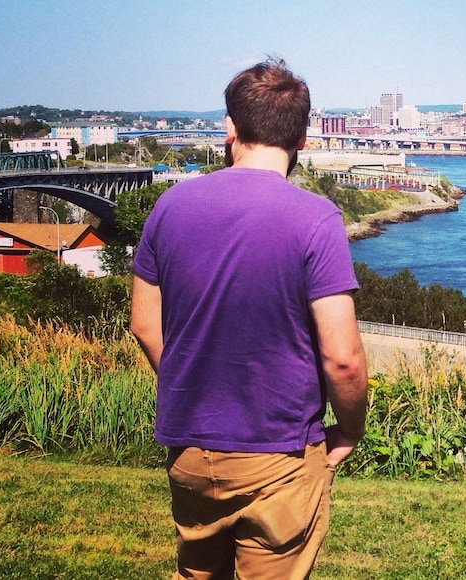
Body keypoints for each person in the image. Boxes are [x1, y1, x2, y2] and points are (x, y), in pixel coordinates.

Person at [130, 58, 368, 579]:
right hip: (278, 454)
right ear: (304, 138)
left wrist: (192, 387)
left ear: (231, 129)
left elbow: (145, 325)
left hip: (190, 451)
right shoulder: (317, 218)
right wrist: (350, 430)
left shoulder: (169, 206)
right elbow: (343, 358)